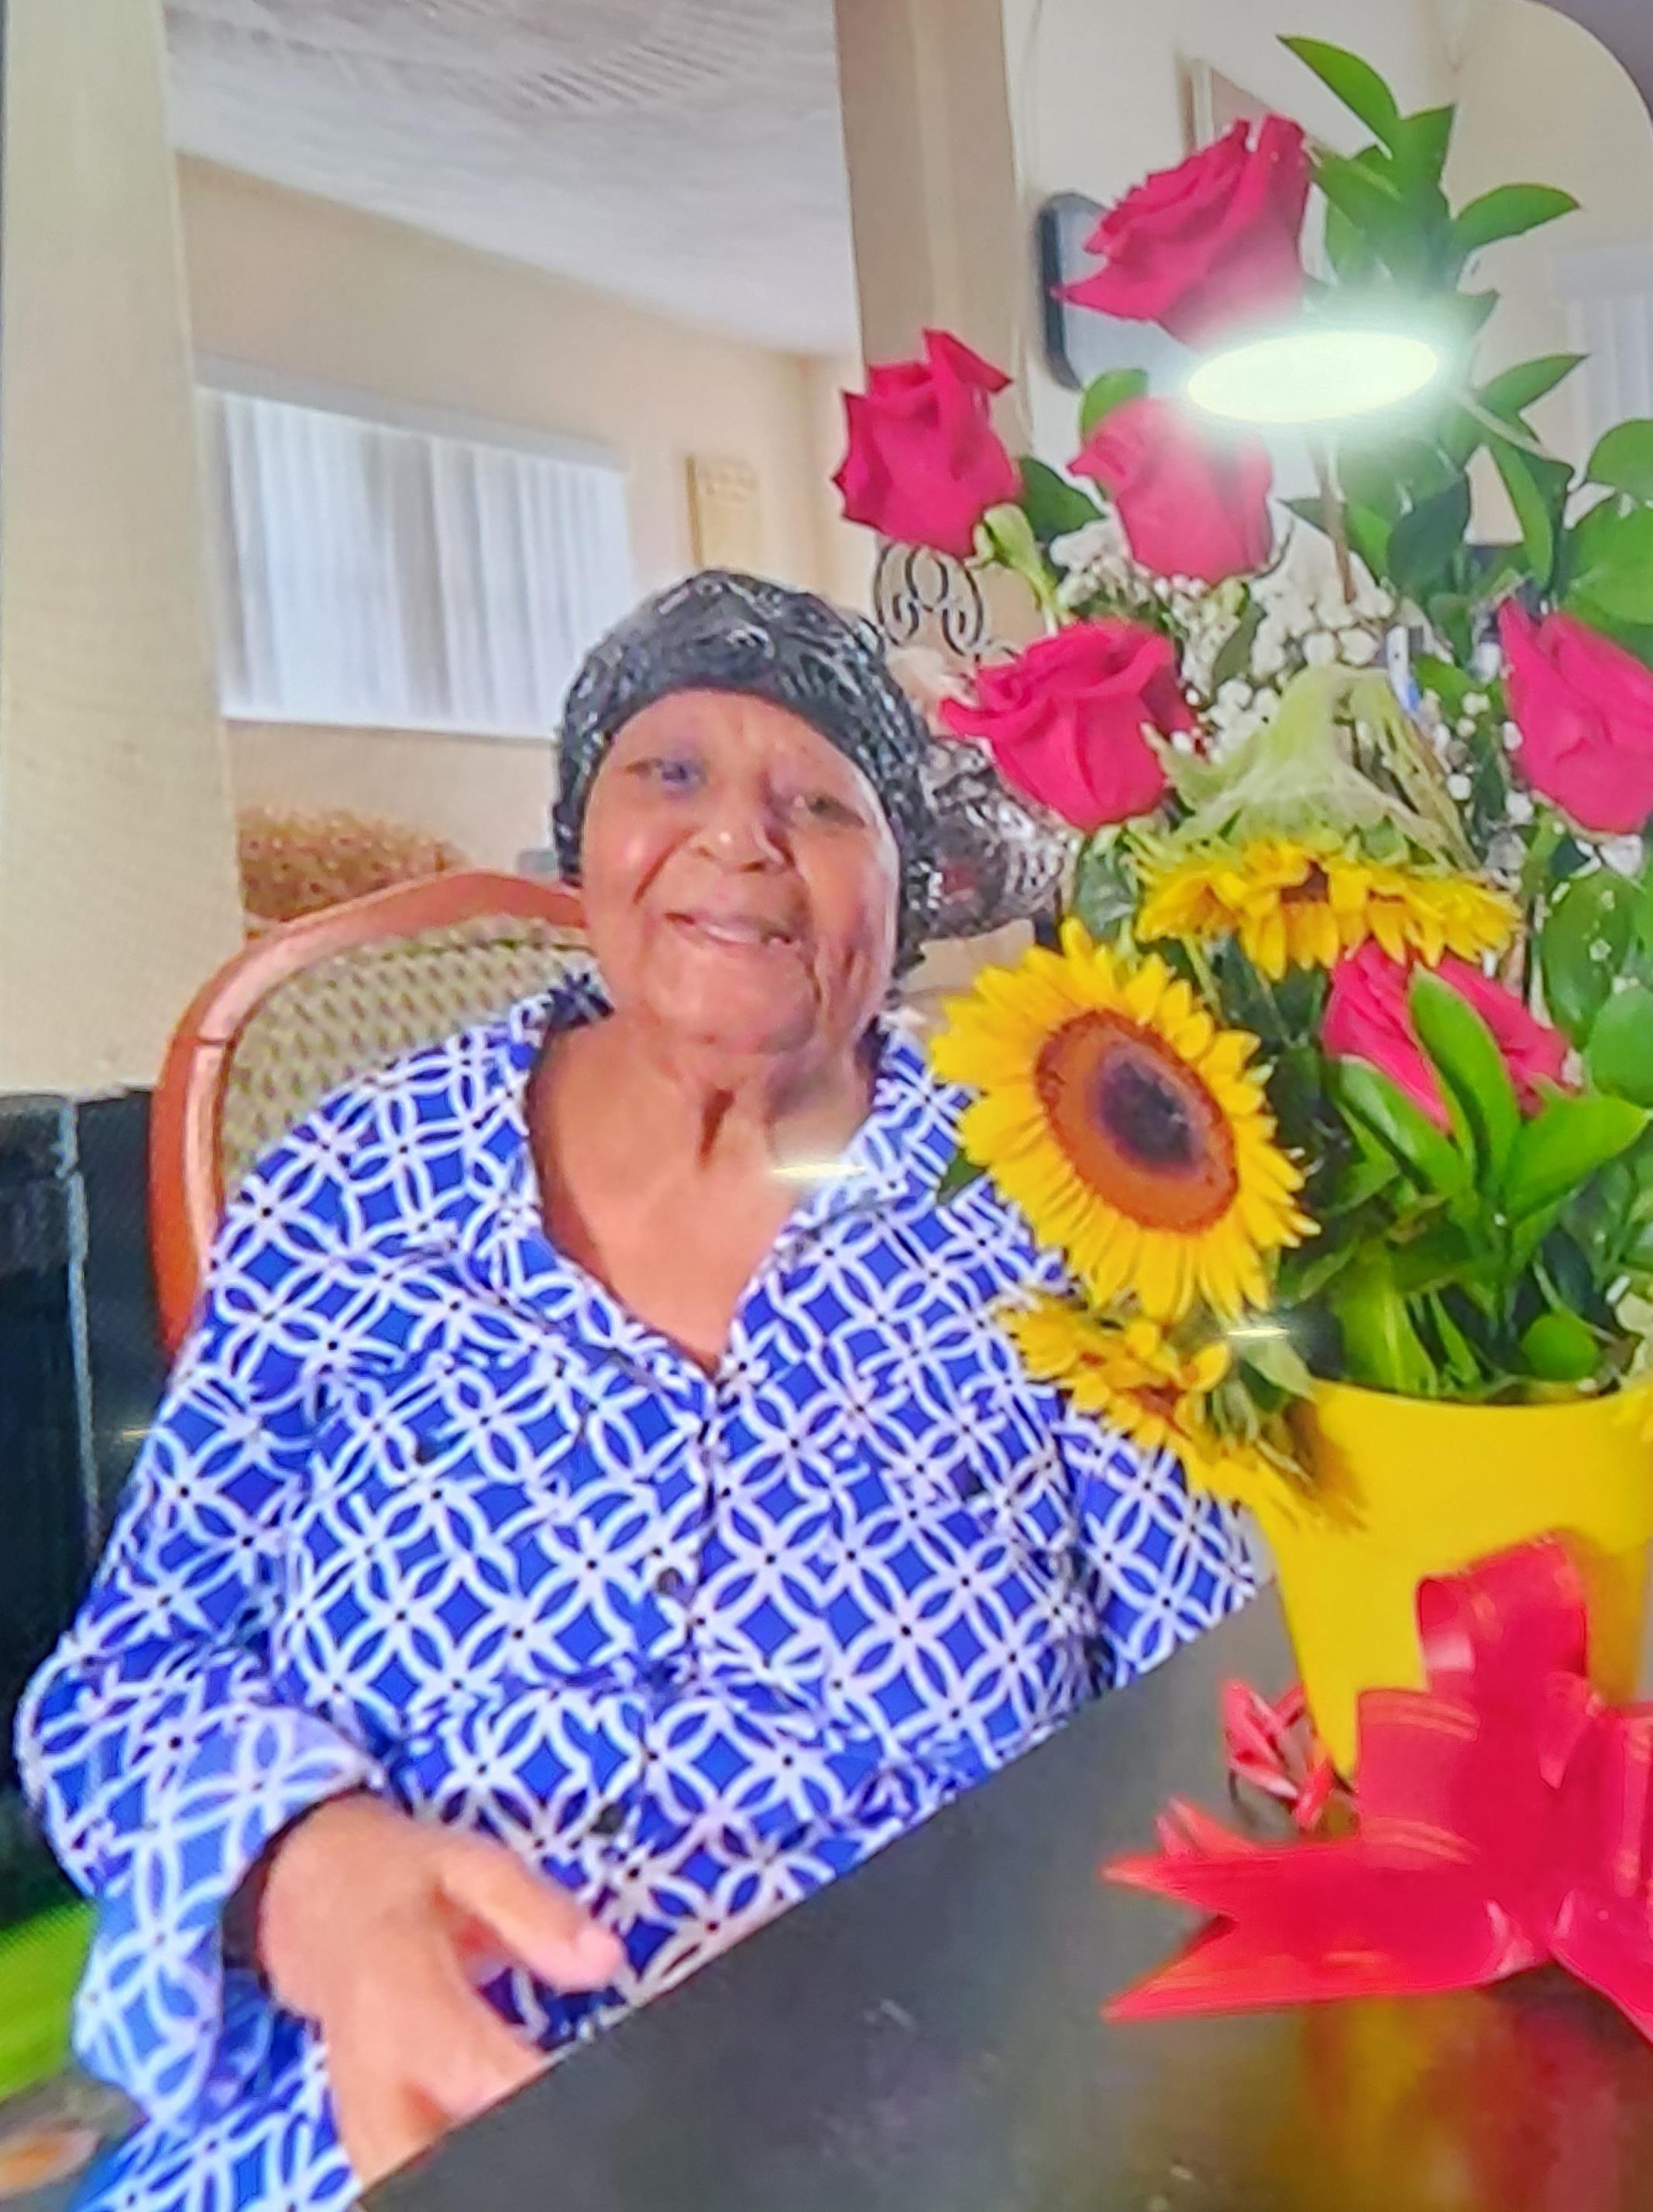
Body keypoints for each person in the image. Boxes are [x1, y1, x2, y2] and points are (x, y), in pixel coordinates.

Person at [17, 571, 1252, 2211]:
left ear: (903, 890)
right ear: (579, 841)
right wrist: (308, 1876)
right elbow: (130, 1676)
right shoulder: (359, 1184)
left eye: (821, 802)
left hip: (940, 2117)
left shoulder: (1055, 1205)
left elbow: (1224, 1710)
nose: (738, 836)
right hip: (369, 2120)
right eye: (667, 772)